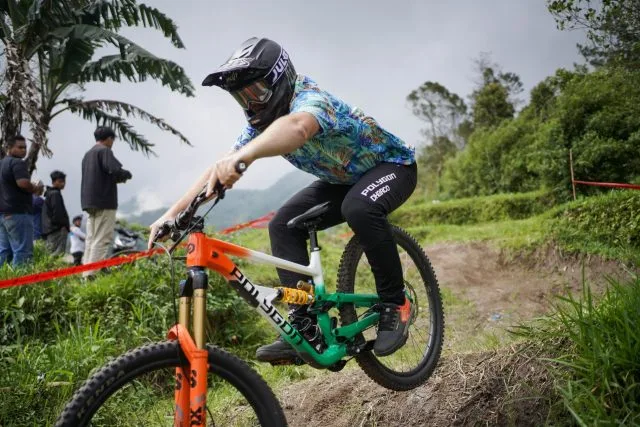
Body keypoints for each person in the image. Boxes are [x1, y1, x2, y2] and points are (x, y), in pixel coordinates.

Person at [149, 38, 418, 363]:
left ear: (280, 80)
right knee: (283, 225)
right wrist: (170, 215)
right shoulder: (260, 125)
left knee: (358, 208)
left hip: (392, 167)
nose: (251, 104)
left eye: (256, 92)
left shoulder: (311, 100)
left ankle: (395, 302)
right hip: (342, 181)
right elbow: (218, 167)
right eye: (242, 97)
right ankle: (304, 326)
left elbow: (298, 128)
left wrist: (245, 157)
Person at [81, 126, 132, 278]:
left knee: (91, 239)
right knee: (102, 239)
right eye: (113, 139)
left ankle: (85, 273)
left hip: (89, 202)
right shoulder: (104, 151)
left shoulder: (88, 154)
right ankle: (92, 275)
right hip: (104, 201)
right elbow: (114, 170)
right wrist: (126, 174)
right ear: (109, 138)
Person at [0, 135, 44, 266]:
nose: (23, 150)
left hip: (3, 215)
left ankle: (4, 277)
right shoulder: (17, 163)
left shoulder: (1, 164)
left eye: (25, 147)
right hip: (18, 213)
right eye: (20, 147)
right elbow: (23, 183)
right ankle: (21, 279)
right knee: (23, 251)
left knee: (4, 252)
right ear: (9, 148)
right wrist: (36, 188)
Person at [42, 170, 70, 256]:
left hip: (50, 229)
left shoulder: (50, 194)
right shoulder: (55, 194)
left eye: (64, 181)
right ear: (54, 182)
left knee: (50, 254)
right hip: (56, 229)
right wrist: (63, 225)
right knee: (56, 255)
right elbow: (57, 213)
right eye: (60, 181)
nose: (63, 184)